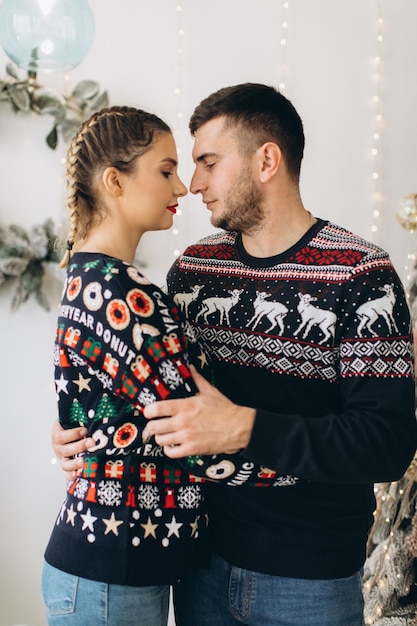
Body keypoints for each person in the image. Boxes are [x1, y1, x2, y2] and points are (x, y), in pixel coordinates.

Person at [52, 84, 417, 626]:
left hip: (309, 584)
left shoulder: (363, 277)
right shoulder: (192, 273)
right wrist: (85, 431)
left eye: (208, 162)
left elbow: (387, 444)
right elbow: (149, 394)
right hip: (194, 569)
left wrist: (247, 428)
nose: (193, 184)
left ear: (266, 160)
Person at [42, 104, 280, 626]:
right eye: (166, 170)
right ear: (114, 182)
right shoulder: (120, 293)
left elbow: (91, 415)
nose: (181, 189)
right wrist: (297, 471)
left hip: (116, 563)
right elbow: (191, 433)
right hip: (111, 569)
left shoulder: (94, 278)